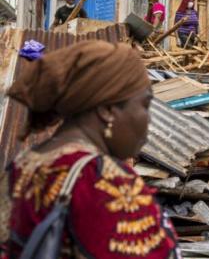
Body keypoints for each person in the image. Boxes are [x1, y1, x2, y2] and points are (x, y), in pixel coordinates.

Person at [0, 41, 180, 258]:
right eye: (144, 105)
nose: (148, 119)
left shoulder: (22, 166)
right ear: (108, 110)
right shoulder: (103, 181)